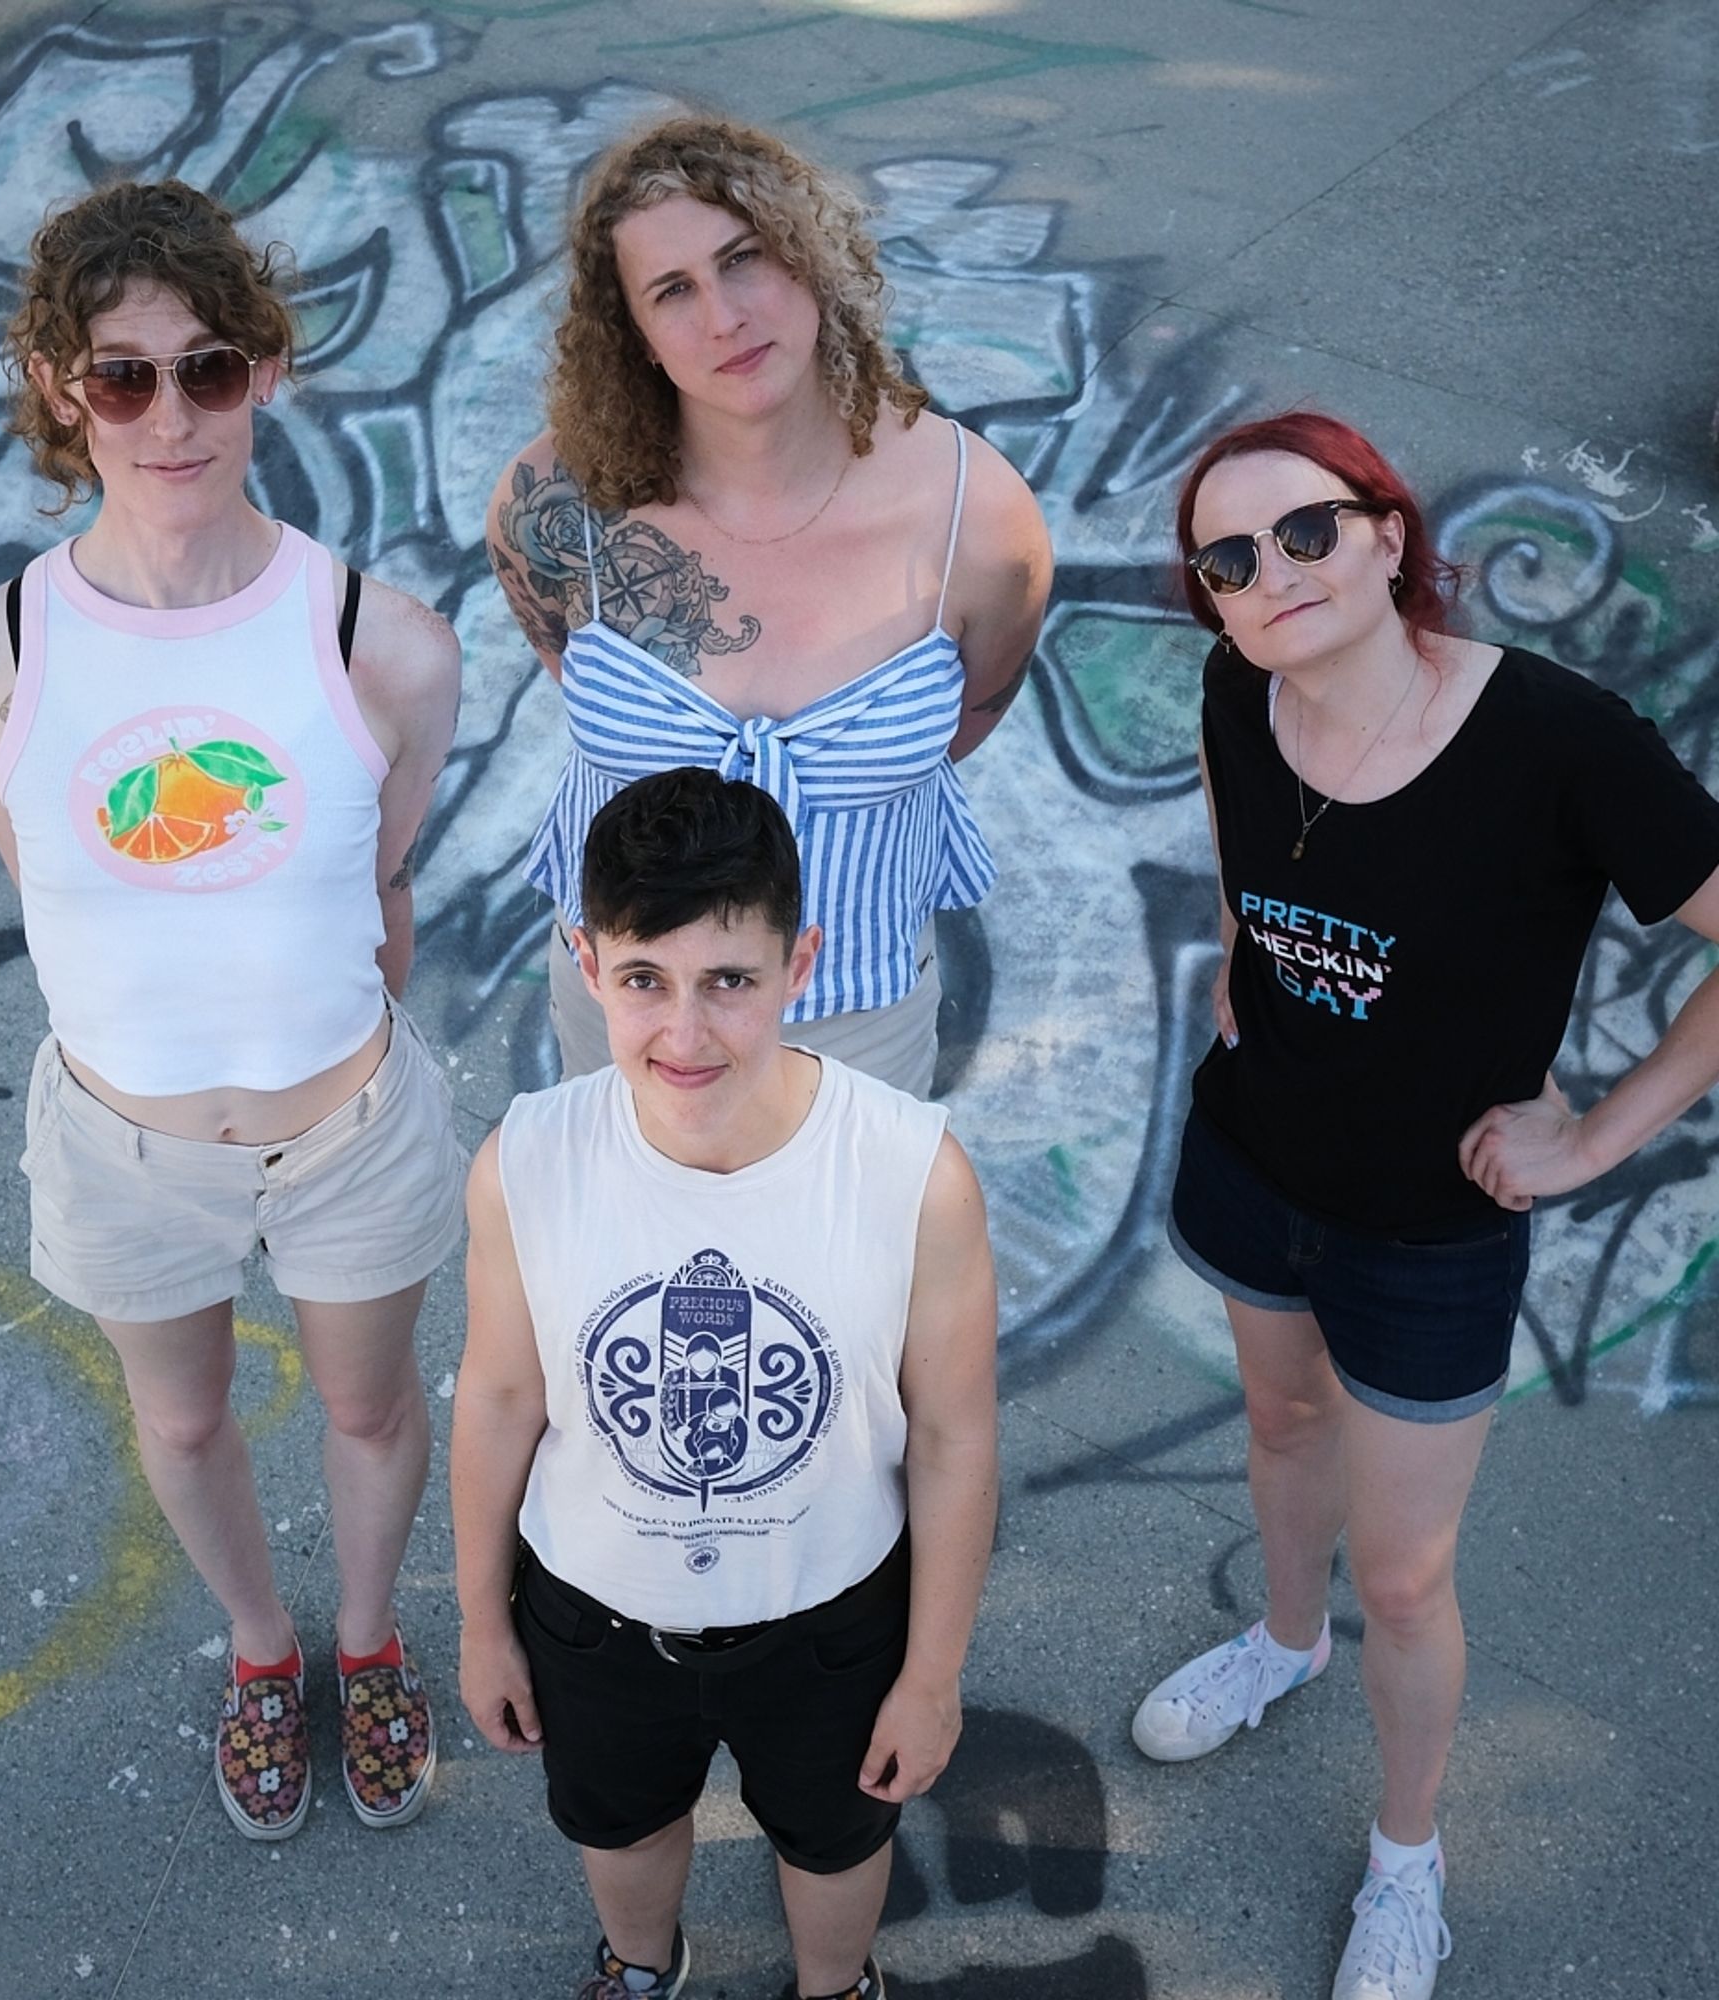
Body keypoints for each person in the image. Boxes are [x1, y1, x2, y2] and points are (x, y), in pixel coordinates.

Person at [1134, 411, 1719, 1999]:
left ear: (1391, 533)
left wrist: (1595, 1141)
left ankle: (1408, 1859)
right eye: (1232, 561)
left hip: (1431, 1237)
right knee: (1276, 1429)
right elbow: (1241, 854)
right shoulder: (1235, 692)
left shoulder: (1559, 743)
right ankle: (1280, 1638)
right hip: (1254, 1166)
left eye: (1311, 529)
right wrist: (1247, 986)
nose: (1275, 575)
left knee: (1404, 1575)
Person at [0, 179, 466, 1840]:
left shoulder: (390, 646)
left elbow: (381, 880)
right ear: (59, 385)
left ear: (269, 374)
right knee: (184, 1414)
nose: (170, 415)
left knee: (370, 1408)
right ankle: (258, 1646)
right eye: (122, 373)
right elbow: (59, 887)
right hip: (123, 1149)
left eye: (209, 368)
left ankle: (366, 1640)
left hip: (347, 1133)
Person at [452, 768, 999, 2000]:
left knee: (836, 1837)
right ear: (585, 961)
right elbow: (497, 1398)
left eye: (729, 982)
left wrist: (930, 1671)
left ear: (800, 962)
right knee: (623, 1828)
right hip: (591, 1609)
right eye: (644, 979)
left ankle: (830, 1984)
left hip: (829, 1615)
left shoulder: (912, 1172)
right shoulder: (524, 1162)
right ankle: (641, 1967)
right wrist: (483, 1619)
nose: (683, 1034)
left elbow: (955, 1439)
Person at [485, 115, 1053, 1097]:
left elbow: (967, 716)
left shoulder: (979, 514)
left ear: (808, 259)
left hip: (859, 1013)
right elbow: (556, 654)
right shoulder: (555, 507)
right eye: (671, 291)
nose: (724, 315)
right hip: (622, 1003)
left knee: (848, 1253)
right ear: (637, 338)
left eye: (743, 259)